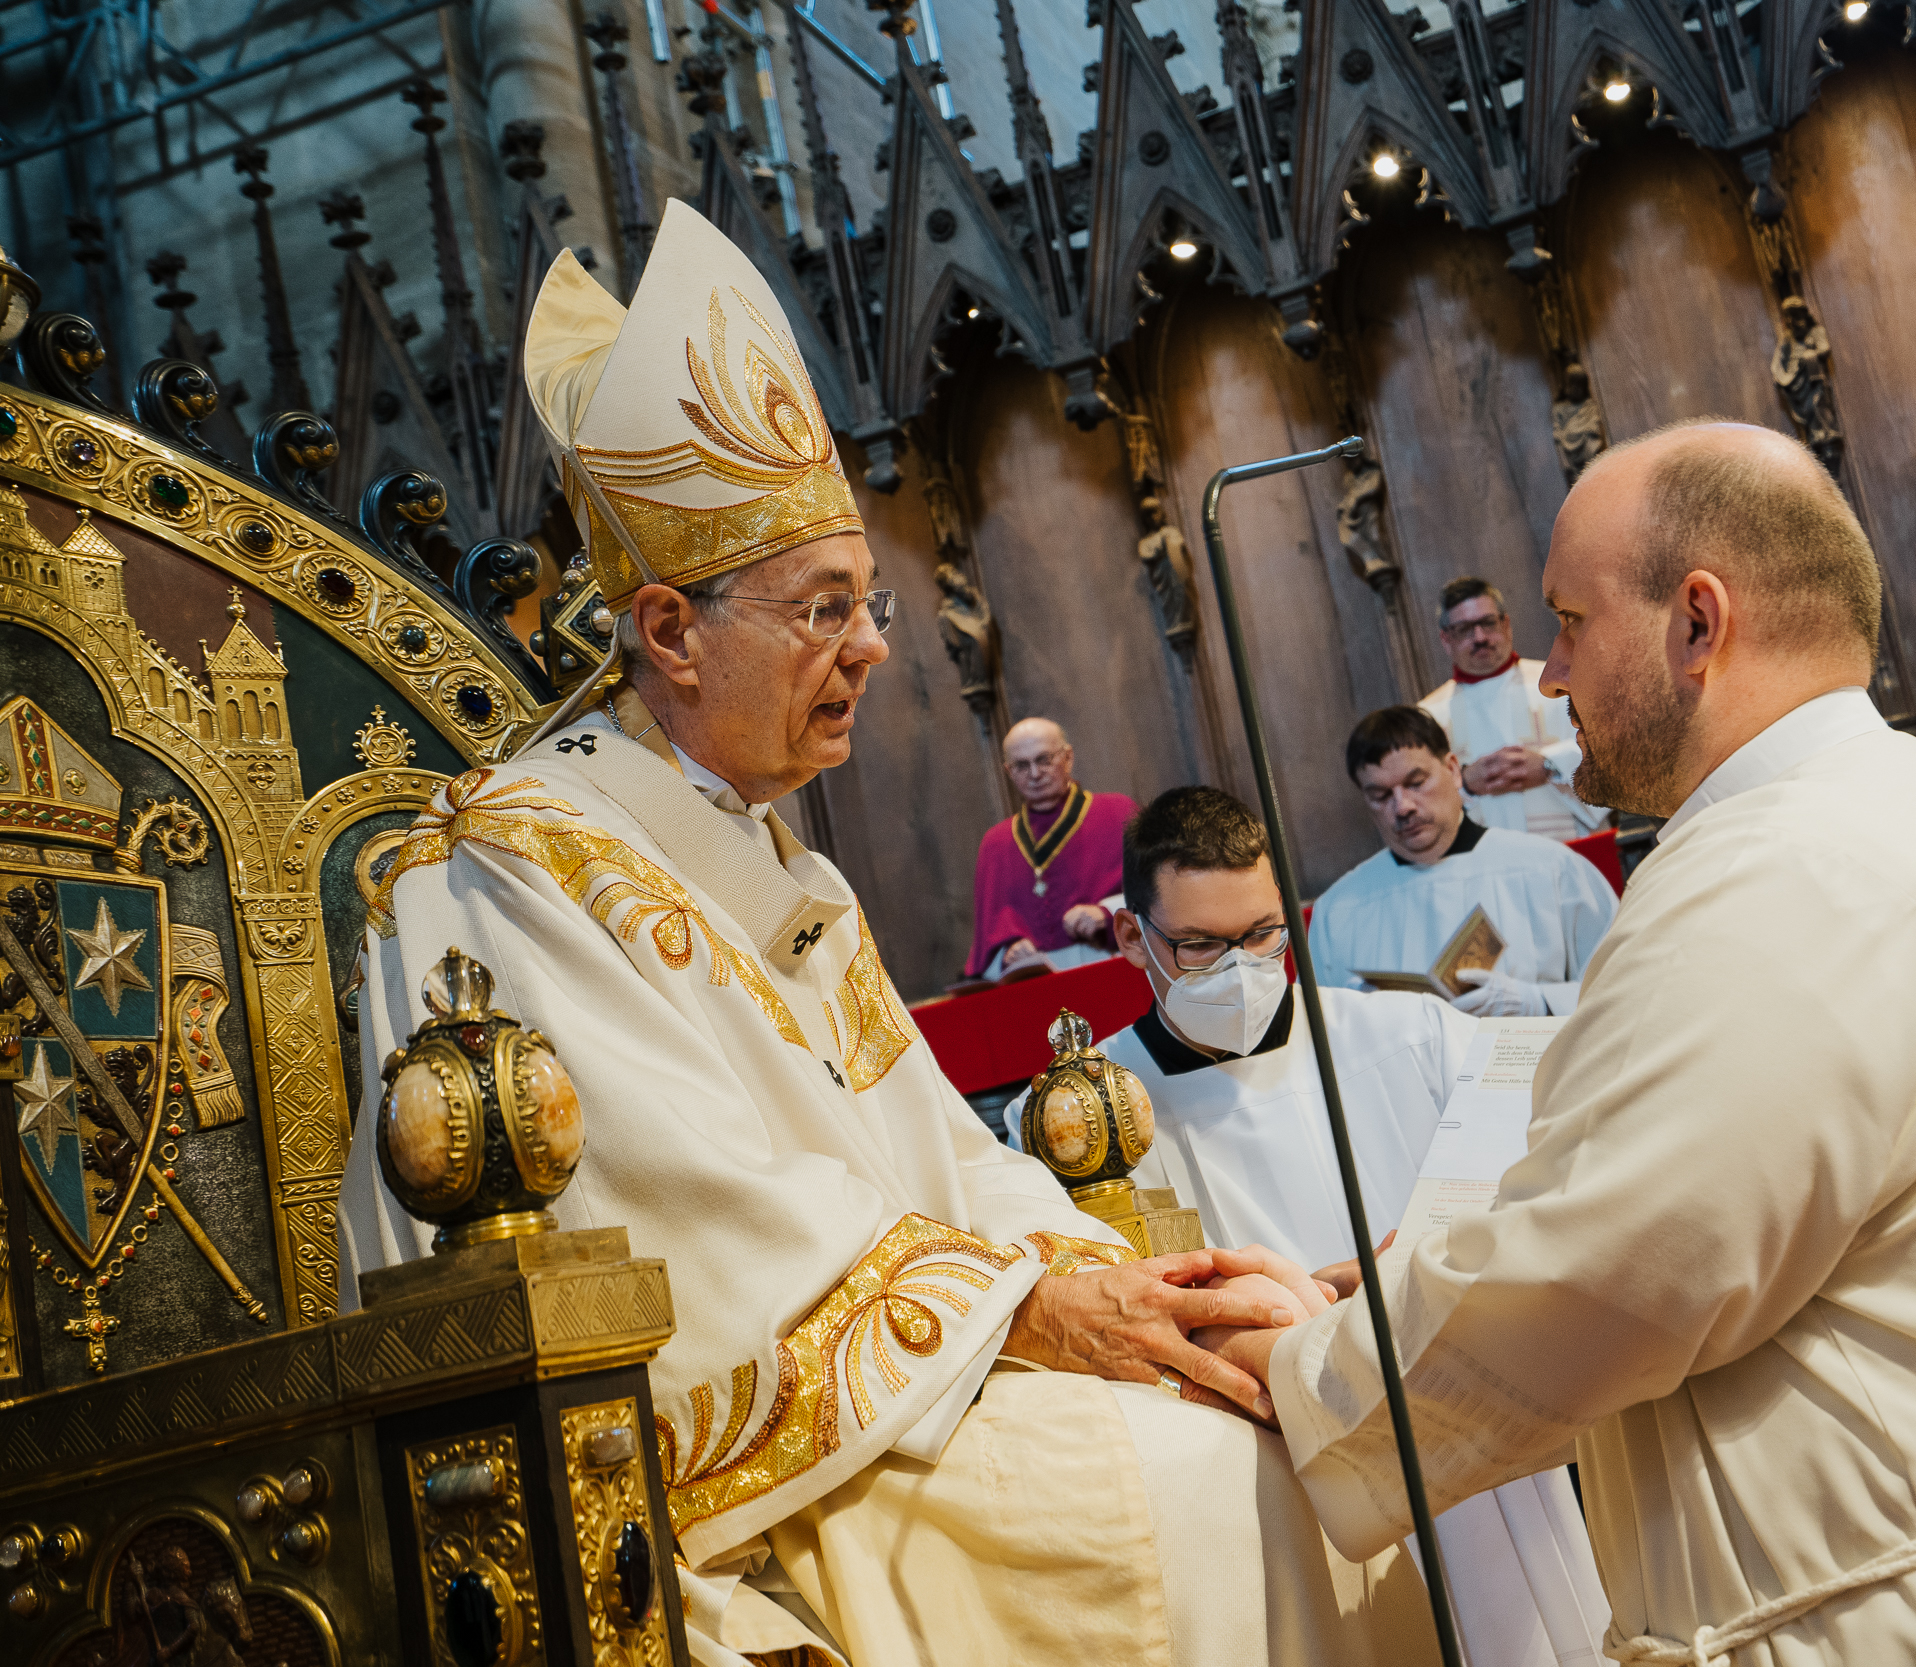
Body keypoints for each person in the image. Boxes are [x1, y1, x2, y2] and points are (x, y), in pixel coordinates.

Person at [342, 201, 1433, 1667]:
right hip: (736, 1464)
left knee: (1289, 1410)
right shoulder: (509, 868)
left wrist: (1134, 1284)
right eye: (825, 608)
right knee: (1203, 1491)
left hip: (905, 1376)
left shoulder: (784, 864)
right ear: (669, 632)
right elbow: (690, 1226)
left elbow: (944, 1155)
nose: (873, 645)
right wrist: (1037, 1305)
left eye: (868, 604)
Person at [1207, 419, 1916, 1665]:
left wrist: (1307, 1371)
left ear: (1698, 622)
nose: (1548, 676)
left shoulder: (1783, 861)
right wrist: (1418, 1268)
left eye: (1570, 621)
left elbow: (1615, 1266)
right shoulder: (1858, 804)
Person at [1008, 785, 1612, 1667]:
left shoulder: (1408, 1034)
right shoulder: (1083, 1115)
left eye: (1263, 934)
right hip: (1271, 1471)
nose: (1244, 966)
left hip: (1463, 1430)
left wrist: (1435, 1253)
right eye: (1203, 945)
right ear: (1134, 937)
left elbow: (1548, 1168)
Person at [1309, 706, 1616, 1016]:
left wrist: (1537, 1002)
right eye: (1380, 795)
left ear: (1454, 770)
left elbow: (1623, 987)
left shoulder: (1551, 869)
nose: (1402, 807)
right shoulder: (1337, 912)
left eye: (1416, 783)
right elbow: (1321, 1033)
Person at [1419, 578, 1606, 842]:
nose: (1480, 637)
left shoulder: (1559, 683)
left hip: (1571, 848)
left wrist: (1550, 765)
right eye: (1464, 629)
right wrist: (1465, 782)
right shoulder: (1427, 717)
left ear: (1505, 624)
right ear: (1445, 639)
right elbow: (1417, 800)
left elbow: (1611, 750)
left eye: (1487, 623)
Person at [965, 716, 1137, 979]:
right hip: (1037, 985)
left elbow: (1162, 899)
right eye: (1022, 765)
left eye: (1044, 759)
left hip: (1112, 962)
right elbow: (986, 946)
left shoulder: (1118, 813)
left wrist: (1108, 913)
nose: (1035, 774)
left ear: (1068, 757)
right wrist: (1007, 952)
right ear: (1009, 772)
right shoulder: (995, 843)